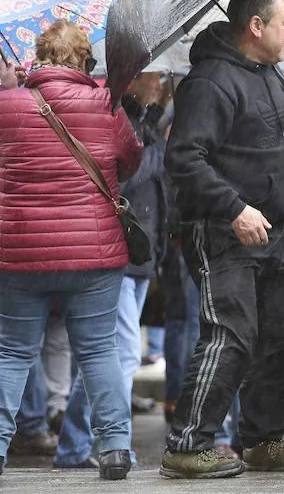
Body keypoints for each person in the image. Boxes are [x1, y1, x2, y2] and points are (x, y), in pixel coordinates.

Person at [160, 0, 284, 479]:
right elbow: (184, 159)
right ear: (256, 26)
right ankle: (188, 445)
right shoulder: (209, 82)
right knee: (230, 333)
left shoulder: (269, 73)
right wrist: (234, 208)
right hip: (222, 230)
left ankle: (263, 440)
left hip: (272, 231)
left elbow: (268, 139)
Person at [0, 19, 143, 480]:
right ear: (85, 60)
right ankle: (116, 449)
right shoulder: (107, 104)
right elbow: (132, 160)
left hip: (19, 253)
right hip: (94, 252)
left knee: (14, 353)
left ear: (38, 57)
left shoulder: (7, 106)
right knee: (98, 350)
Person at [54, 71, 168, 469]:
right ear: (134, 78)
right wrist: (160, 136)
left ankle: (75, 445)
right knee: (117, 357)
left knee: (108, 356)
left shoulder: (138, 115)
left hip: (138, 255)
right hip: (117, 253)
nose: (163, 80)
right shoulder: (113, 111)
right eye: (156, 74)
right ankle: (106, 445)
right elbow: (129, 172)